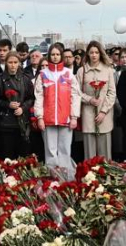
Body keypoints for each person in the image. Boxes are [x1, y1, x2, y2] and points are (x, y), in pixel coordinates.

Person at [34, 43, 80, 179]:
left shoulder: (69, 74)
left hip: (65, 119)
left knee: (65, 150)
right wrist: (40, 117)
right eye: (52, 54)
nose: (55, 57)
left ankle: (67, 180)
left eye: (57, 54)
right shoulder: (43, 74)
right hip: (48, 120)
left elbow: (75, 96)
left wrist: (74, 117)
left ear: (61, 56)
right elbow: (39, 96)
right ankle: (52, 181)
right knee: (50, 151)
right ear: (49, 55)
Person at [77, 41, 117, 160]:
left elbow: (112, 92)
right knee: (89, 155)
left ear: (100, 54)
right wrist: (89, 99)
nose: (94, 55)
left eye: (96, 52)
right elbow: (76, 92)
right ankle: (89, 177)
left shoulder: (108, 70)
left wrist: (103, 111)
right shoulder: (81, 71)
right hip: (88, 116)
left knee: (105, 155)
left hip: (104, 116)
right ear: (88, 54)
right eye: (91, 52)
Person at [0, 51, 34, 160]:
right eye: (10, 62)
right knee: (7, 154)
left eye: (15, 62)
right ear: (6, 63)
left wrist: (23, 108)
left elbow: (31, 98)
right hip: (6, 122)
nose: (13, 65)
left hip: (22, 122)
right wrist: (7, 104)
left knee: (23, 155)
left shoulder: (26, 78)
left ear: (19, 63)